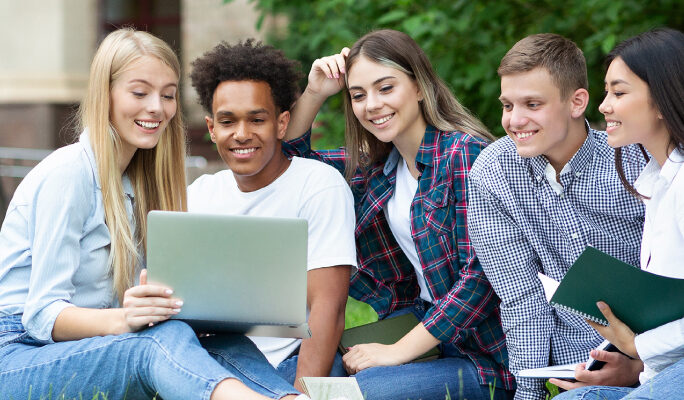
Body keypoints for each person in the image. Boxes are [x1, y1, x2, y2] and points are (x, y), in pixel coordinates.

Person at [0, 28, 302, 400]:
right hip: (13, 357)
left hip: (88, 347)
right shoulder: (69, 175)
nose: (157, 108)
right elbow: (43, 316)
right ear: (105, 95)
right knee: (161, 340)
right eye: (139, 92)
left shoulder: (141, 183)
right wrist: (126, 321)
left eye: (168, 95)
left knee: (221, 340)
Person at [282, 29, 513, 400]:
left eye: (385, 88)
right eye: (358, 95)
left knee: (343, 394)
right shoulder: (378, 167)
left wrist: (396, 352)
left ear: (419, 87)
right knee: (295, 377)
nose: (371, 104)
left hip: (481, 357)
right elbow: (292, 161)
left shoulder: (464, 155)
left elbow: (480, 280)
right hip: (415, 326)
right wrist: (315, 92)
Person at [466, 33, 647, 400]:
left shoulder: (635, 159)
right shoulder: (493, 171)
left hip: (659, 353)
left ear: (577, 102)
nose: (515, 120)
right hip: (573, 368)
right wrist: (530, 394)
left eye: (532, 104)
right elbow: (520, 297)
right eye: (507, 105)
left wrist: (641, 363)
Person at [187, 40, 358, 392]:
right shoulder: (199, 194)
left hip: (285, 364)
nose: (242, 134)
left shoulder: (318, 184)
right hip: (210, 358)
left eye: (257, 119)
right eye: (227, 121)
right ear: (211, 128)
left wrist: (302, 392)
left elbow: (328, 307)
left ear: (281, 124)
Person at [551, 28, 684, 400]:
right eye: (607, 91)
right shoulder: (657, 183)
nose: (604, 105)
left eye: (619, 93)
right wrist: (633, 365)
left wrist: (639, 347)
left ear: (663, 99)